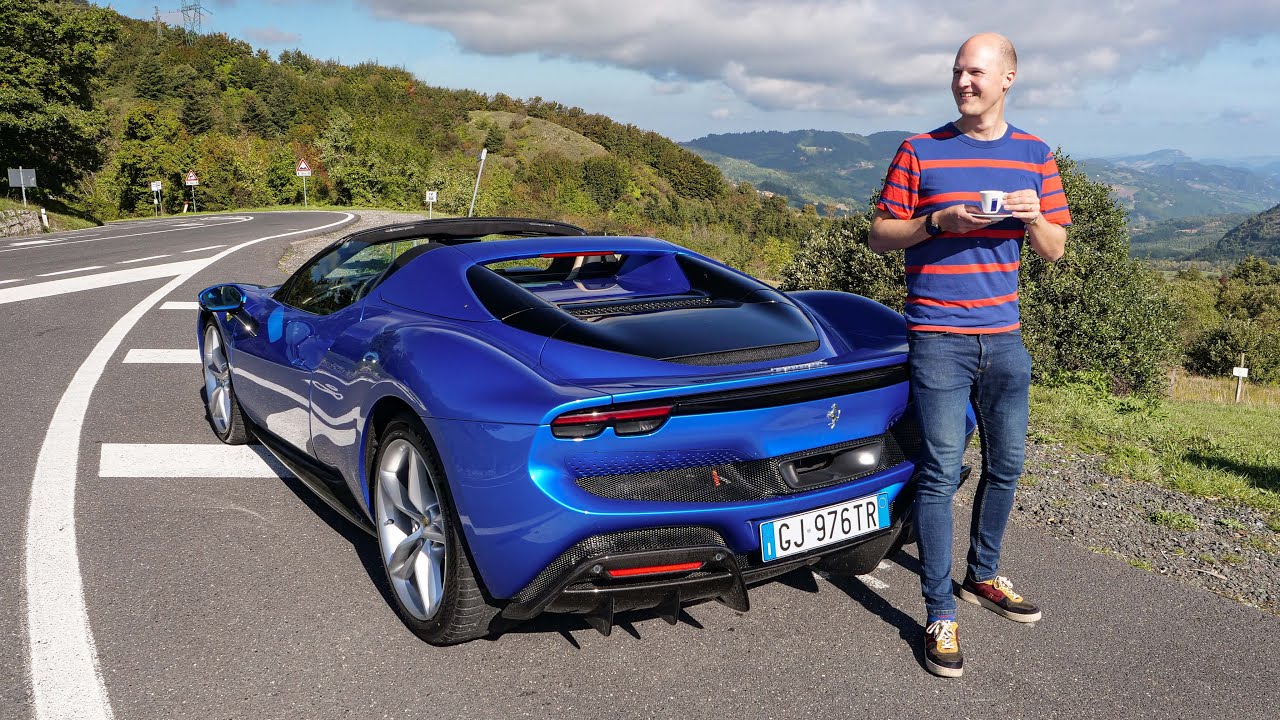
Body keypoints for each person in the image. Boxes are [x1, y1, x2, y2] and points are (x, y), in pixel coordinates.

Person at [868, 32, 1070, 678]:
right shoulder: (921, 150)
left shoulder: (1035, 155)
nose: (963, 82)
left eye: (976, 72)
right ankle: (938, 612)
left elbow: (1054, 249)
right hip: (938, 339)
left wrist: (1035, 217)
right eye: (958, 71)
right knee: (940, 471)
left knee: (1007, 465)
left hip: (1004, 340)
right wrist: (936, 224)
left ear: (1008, 78)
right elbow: (879, 236)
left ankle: (983, 574)